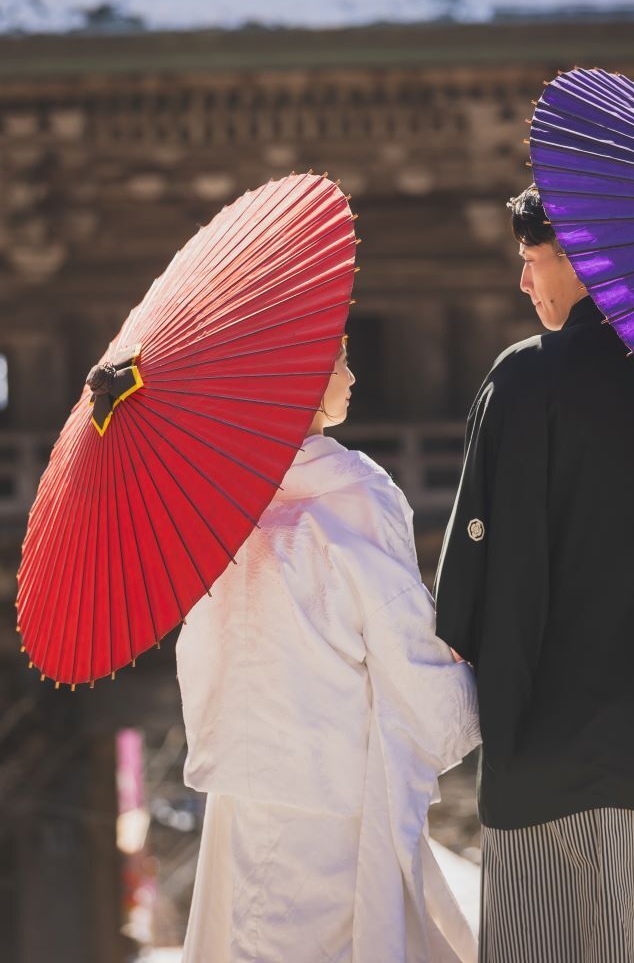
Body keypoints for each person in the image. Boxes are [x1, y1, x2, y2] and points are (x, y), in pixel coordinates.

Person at [434, 184, 634, 963]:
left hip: (550, 753)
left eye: (530, 259)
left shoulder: (524, 381)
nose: (523, 282)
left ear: (576, 258)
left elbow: (467, 596)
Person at [177, 338, 481, 963]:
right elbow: (399, 636)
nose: (351, 371)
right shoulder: (355, 492)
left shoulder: (228, 500)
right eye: (339, 357)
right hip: (334, 773)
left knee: (253, 931)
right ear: (304, 378)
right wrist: (468, 691)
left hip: (250, 770)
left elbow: (204, 641)